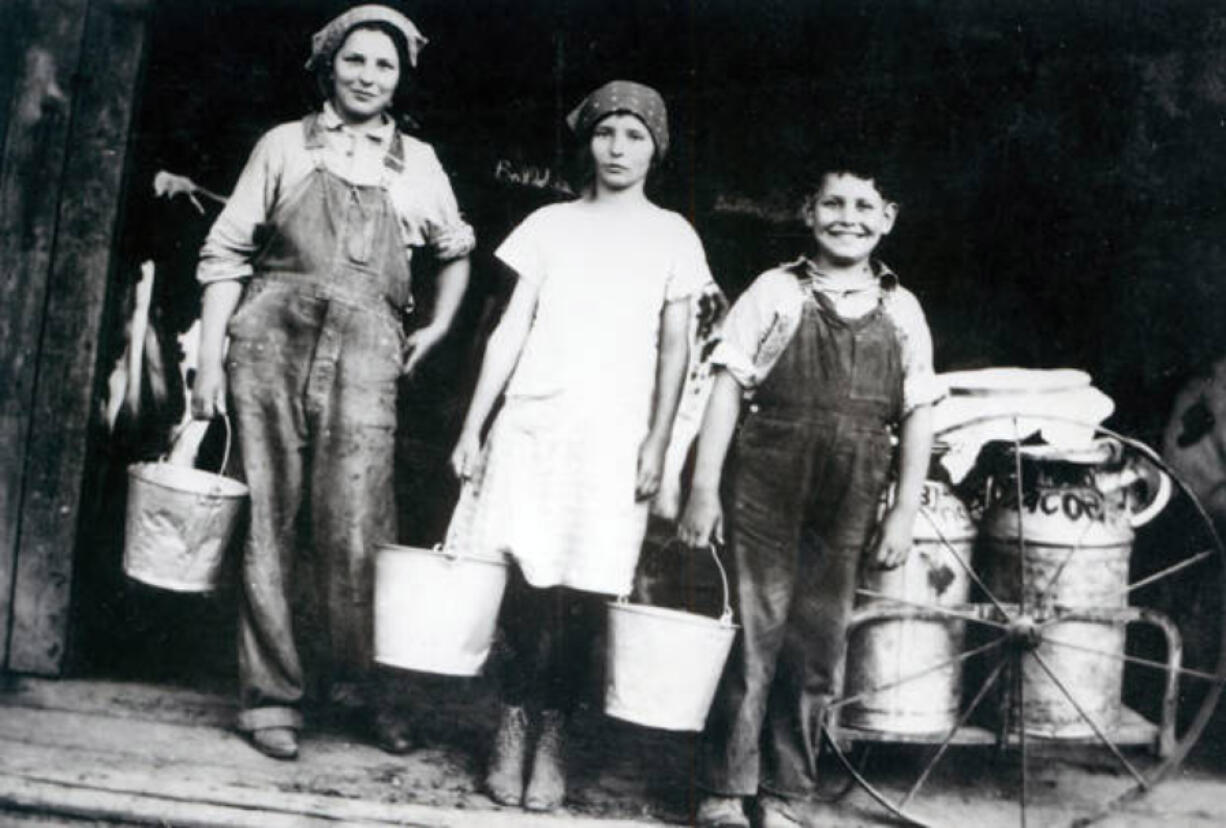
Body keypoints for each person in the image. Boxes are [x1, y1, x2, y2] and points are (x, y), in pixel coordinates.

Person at [191, 3, 474, 761]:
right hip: (268, 346)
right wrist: (210, 361)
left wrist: (440, 325)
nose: (367, 76)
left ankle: (366, 693)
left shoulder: (419, 164)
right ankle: (272, 698)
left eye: (383, 64)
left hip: (369, 354)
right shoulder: (284, 145)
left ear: (401, 77)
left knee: (359, 527)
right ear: (328, 66)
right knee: (270, 520)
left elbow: (455, 249)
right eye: (354, 60)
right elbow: (224, 254)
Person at [444, 80, 713, 811]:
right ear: (587, 142)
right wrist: (474, 425)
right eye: (606, 134)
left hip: (614, 439)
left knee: (584, 588)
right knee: (525, 581)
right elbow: (510, 330)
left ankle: (554, 736)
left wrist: (658, 446)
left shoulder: (673, 236)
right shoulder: (549, 225)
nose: (618, 148)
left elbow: (677, 354)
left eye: (634, 135)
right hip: (536, 427)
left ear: (657, 148)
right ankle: (512, 722)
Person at [677, 162, 939, 828]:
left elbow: (917, 414)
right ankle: (724, 788)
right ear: (807, 213)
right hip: (768, 478)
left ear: (888, 219)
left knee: (817, 641)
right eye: (832, 203)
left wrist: (904, 510)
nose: (847, 217)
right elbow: (727, 388)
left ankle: (788, 792)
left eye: (863, 205)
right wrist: (704, 487)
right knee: (753, 629)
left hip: (853, 488)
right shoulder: (775, 291)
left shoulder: (902, 309)